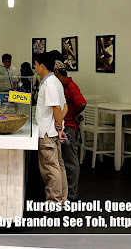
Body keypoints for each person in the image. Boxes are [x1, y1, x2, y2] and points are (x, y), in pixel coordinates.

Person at [34, 51, 68, 204]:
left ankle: (54, 201)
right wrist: (59, 124)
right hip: (52, 130)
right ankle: (62, 199)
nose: (35, 67)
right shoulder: (55, 81)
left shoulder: (49, 84)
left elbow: (57, 108)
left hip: (48, 132)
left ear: (42, 66)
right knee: (58, 166)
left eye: (36, 64)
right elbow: (65, 106)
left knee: (50, 169)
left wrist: (59, 127)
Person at [54, 60, 87, 201]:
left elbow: (82, 103)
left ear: (56, 73)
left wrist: (73, 115)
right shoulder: (63, 86)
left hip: (70, 128)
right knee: (65, 160)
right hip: (65, 126)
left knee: (71, 161)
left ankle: (72, 193)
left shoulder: (71, 86)